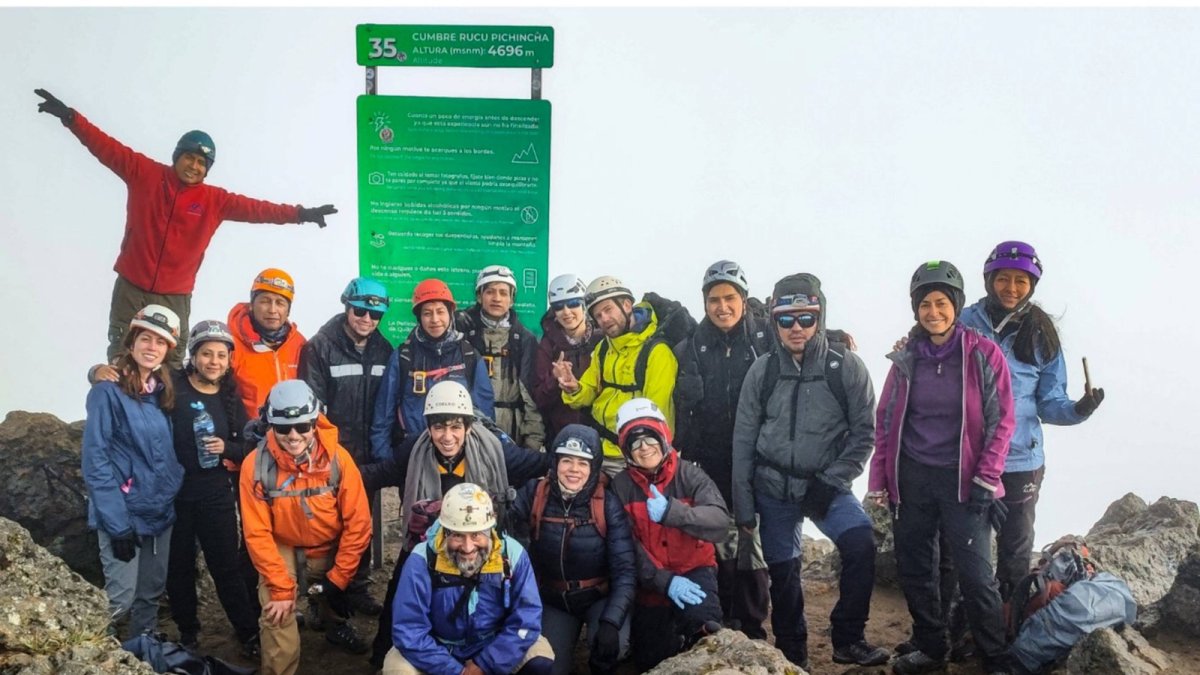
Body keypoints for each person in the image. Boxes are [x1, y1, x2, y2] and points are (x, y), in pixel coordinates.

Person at [34, 88, 335, 369]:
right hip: (132, 283)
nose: (194, 166)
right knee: (123, 351)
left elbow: (260, 210)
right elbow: (105, 146)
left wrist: (302, 214)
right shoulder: (145, 174)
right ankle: (120, 413)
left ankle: (167, 422)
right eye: (189, 157)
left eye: (202, 163)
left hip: (175, 293)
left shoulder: (214, 200)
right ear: (177, 156)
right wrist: (70, 117)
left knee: (173, 361)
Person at [730, 273, 890, 669]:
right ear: (774, 322)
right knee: (784, 576)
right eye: (786, 320)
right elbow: (743, 441)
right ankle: (793, 654)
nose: (796, 328)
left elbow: (864, 434)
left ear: (820, 317)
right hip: (772, 488)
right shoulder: (762, 371)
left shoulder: (846, 367)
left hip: (826, 486)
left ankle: (848, 637)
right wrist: (744, 509)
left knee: (861, 544)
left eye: (806, 318)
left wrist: (831, 480)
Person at [868, 260, 1016, 675]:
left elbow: (1003, 419)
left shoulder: (982, 354)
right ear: (915, 309)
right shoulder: (905, 358)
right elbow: (886, 422)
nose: (933, 312)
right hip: (913, 477)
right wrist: (880, 480)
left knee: (975, 576)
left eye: (941, 303)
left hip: (964, 481)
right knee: (915, 569)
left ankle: (995, 657)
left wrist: (988, 477)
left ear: (956, 305)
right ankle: (932, 648)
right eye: (925, 305)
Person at [364, 380, 549, 668]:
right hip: (424, 541)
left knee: (492, 600)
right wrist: (337, 474)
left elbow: (534, 464)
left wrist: (569, 464)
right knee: (398, 594)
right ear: (428, 427)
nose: (447, 436)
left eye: (455, 427)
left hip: (478, 540)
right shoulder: (414, 449)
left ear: (468, 427)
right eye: (438, 427)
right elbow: (380, 473)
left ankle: (488, 654)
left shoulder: (494, 450)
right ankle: (381, 658)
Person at [960, 241, 1106, 600]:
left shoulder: (1041, 333)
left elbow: (1049, 403)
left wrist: (1079, 409)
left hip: (1020, 460)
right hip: (965, 456)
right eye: (1004, 279)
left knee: (1015, 551)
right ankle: (961, 623)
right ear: (989, 279)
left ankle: (1008, 626)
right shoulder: (963, 321)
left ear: (1032, 286)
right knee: (962, 547)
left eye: (1021, 281)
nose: (1011, 288)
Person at [240, 379, 373, 674]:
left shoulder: (339, 460)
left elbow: (359, 524)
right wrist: (281, 589)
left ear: (315, 422)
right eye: (283, 428)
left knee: (335, 593)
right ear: (269, 426)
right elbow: (256, 532)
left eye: (302, 425)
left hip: (330, 545)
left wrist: (338, 578)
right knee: (277, 610)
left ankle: (333, 623)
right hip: (281, 546)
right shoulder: (256, 466)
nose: (293, 435)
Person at [673, 260, 773, 640]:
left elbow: (804, 333)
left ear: (744, 300)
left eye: (730, 298)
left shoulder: (765, 338)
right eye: (714, 299)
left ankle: (753, 624)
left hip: (757, 459)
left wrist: (837, 334)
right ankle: (726, 616)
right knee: (721, 539)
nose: (722, 306)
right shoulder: (689, 348)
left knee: (753, 541)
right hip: (710, 461)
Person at [81, 305, 185, 638]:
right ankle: (91, 656)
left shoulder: (162, 392)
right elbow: (95, 460)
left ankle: (144, 658)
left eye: (160, 341)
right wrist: (116, 525)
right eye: (145, 338)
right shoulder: (106, 392)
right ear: (131, 341)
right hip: (123, 516)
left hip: (160, 513)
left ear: (169, 350)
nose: (151, 347)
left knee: (149, 597)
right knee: (120, 599)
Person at [384, 483, 556, 675]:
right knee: (397, 669)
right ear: (445, 531)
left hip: (492, 644)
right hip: (437, 647)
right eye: (458, 535)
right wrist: (456, 671)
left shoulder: (512, 555)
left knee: (540, 657)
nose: (467, 547)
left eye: (476, 535)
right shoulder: (422, 559)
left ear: (490, 530)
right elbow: (409, 629)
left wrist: (485, 663)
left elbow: (526, 619)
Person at [299, 276, 396, 616]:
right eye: (360, 311)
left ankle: (357, 588)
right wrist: (326, 455)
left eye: (375, 315)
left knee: (361, 526)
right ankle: (324, 597)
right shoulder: (318, 347)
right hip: (330, 457)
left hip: (366, 458)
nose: (367, 319)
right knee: (327, 529)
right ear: (346, 306)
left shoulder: (385, 350)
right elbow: (313, 407)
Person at [608, 398, 727, 671]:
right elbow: (626, 547)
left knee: (707, 632)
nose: (644, 448)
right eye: (634, 443)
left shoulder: (691, 476)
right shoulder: (620, 486)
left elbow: (720, 523)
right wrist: (663, 580)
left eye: (650, 438)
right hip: (650, 582)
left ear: (664, 438)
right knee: (651, 659)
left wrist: (674, 514)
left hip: (694, 572)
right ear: (625, 450)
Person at [508, 425, 637, 675]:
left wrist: (611, 622)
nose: (574, 470)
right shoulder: (535, 494)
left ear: (594, 467)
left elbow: (625, 570)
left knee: (614, 647)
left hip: (597, 597)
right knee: (545, 665)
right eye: (567, 460)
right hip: (553, 599)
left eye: (583, 463)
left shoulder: (607, 505)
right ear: (555, 463)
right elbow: (506, 531)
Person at [165, 321, 260, 655]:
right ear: (194, 355)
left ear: (229, 360)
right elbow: (133, 383)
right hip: (175, 495)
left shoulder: (230, 396)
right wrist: (97, 372)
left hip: (215, 493)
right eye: (207, 353)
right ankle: (188, 632)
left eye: (221, 355)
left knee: (226, 567)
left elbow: (248, 444)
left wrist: (227, 449)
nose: (214, 361)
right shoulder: (171, 385)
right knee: (178, 568)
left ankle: (247, 632)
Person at [553, 276, 678, 476]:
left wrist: (642, 458)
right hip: (597, 450)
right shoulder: (604, 347)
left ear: (627, 304)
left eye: (608, 310)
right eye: (598, 315)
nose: (604, 319)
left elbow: (658, 414)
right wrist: (573, 387)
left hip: (632, 458)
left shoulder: (657, 353)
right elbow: (589, 390)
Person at [370, 278, 494, 462]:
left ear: (451, 313)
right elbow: (383, 415)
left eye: (440, 312)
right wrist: (386, 461)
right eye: (427, 313)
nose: (435, 320)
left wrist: (480, 455)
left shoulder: (468, 355)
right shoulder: (404, 357)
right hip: (414, 455)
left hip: (460, 455)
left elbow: (485, 413)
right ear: (419, 317)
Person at [458, 265, 545, 450]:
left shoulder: (524, 339)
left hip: (512, 431)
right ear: (479, 296)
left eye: (504, 293)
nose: (497, 298)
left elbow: (531, 396)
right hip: (468, 428)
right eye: (490, 291)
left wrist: (533, 441)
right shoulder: (462, 333)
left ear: (512, 300)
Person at [228, 268, 308, 419]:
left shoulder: (300, 344)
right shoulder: (230, 345)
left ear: (288, 310)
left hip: (292, 435)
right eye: (265, 301)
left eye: (280, 303)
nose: (272, 310)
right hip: (249, 436)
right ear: (252, 304)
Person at [531, 274, 601, 443]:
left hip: (602, 436)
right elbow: (538, 400)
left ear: (584, 305)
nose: (566, 312)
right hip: (561, 436)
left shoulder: (602, 341)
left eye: (573, 303)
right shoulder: (547, 346)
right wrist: (554, 379)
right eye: (558, 306)